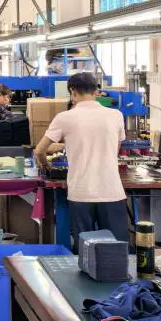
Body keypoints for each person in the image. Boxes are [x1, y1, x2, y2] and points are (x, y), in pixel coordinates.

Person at [34, 72, 127, 247]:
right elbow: (114, 150)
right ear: (96, 92)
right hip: (112, 191)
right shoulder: (116, 115)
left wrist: (48, 165)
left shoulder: (64, 117)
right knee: (116, 250)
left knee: (85, 251)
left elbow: (39, 151)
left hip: (81, 192)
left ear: (72, 92)